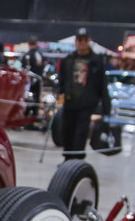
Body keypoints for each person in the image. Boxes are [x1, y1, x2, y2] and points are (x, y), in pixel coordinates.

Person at [56, 31, 109, 160]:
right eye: (79, 40)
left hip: (86, 103)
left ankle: (77, 160)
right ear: (76, 42)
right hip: (69, 102)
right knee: (67, 131)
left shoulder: (96, 60)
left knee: (80, 133)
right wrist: (59, 94)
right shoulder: (68, 60)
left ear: (88, 41)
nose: (82, 43)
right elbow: (61, 80)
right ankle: (67, 159)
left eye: (84, 40)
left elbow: (102, 83)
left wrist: (106, 106)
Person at [23, 36, 47, 117]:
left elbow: (22, 68)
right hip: (36, 80)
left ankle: (26, 114)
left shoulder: (27, 55)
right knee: (35, 98)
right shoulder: (38, 54)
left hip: (28, 80)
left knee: (27, 97)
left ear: (29, 44)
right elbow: (42, 67)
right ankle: (33, 115)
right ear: (36, 44)